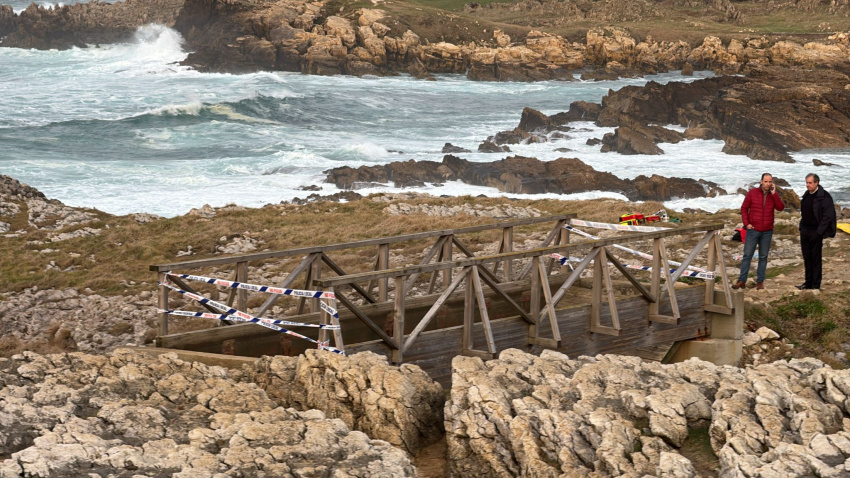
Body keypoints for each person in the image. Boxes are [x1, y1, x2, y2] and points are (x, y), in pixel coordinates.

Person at [733, 173, 785, 290]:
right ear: (761, 181)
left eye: (770, 181)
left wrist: (774, 194)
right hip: (753, 230)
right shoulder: (752, 193)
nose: (768, 184)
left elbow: (781, 207)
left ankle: (760, 282)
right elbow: (744, 208)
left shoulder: (773, 195)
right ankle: (741, 280)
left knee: (763, 257)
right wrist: (746, 224)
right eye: (766, 181)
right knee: (747, 256)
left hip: (767, 231)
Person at [796, 173, 836, 290]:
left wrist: (819, 232)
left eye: (810, 183)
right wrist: (802, 227)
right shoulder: (807, 194)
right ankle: (808, 283)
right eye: (807, 183)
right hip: (805, 230)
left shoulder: (824, 196)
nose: (808, 185)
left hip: (816, 231)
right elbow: (804, 212)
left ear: (816, 183)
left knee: (816, 259)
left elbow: (828, 216)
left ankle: (815, 285)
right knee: (807, 258)